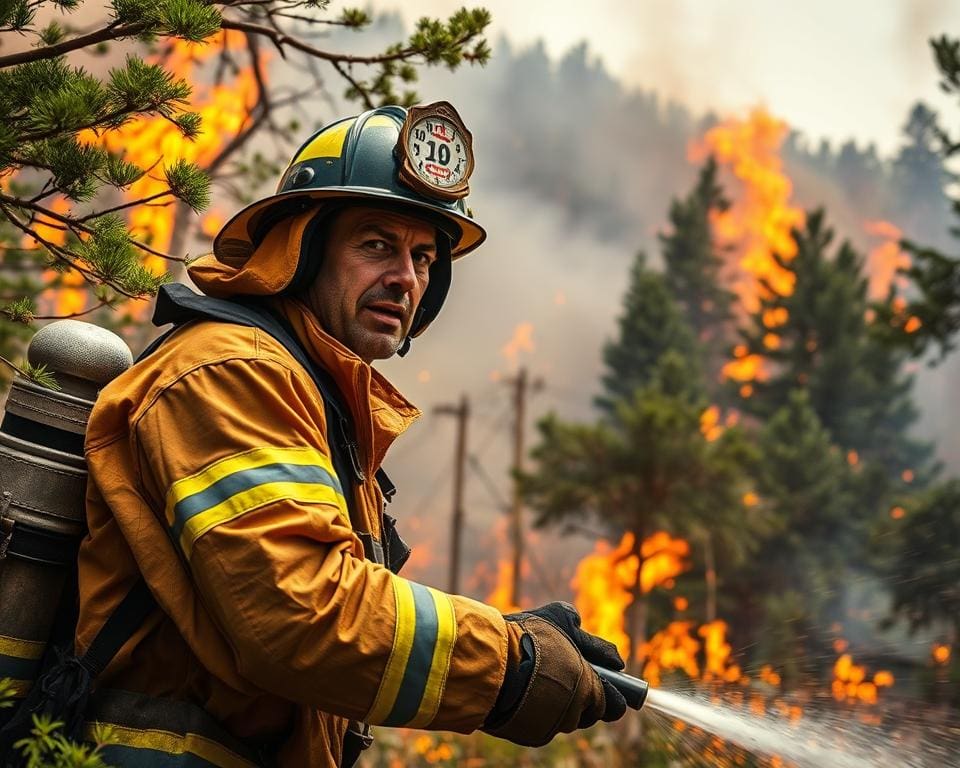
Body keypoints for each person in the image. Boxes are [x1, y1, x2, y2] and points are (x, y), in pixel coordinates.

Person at [75, 102, 628, 768]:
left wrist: (514, 641)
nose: (406, 278)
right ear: (300, 252)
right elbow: (301, 616)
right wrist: (510, 665)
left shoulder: (314, 398)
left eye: (424, 257)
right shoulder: (230, 373)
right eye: (376, 245)